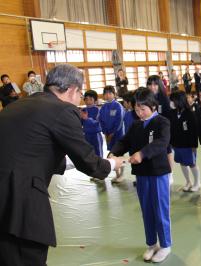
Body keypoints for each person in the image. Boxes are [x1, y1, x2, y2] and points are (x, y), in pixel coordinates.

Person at [0, 64, 124, 266]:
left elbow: (33, 150)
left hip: (5, 197)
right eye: (80, 94)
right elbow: (90, 163)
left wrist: (70, 164)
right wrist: (112, 162)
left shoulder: (21, 104)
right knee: (28, 258)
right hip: (19, 200)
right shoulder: (63, 110)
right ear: (72, 89)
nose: (79, 99)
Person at [110, 88, 172, 263]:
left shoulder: (162, 122)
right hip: (142, 174)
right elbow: (124, 141)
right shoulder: (136, 124)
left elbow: (162, 143)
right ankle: (152, 243)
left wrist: (142, 153)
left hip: (158, 173)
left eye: (142, 109)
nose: (139, 113)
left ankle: (165, 245)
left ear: (153, 106)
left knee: (160, 209)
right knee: (147, 210)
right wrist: (113, 153)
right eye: (136, 110)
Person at [169, 91, 200, 192]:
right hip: (177, 144)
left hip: (188, 145)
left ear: (179, 101)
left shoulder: (190, 113)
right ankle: (188, 181)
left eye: (173, 101)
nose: (171, 103)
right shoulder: (172, 113)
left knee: (192, 163)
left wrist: (194, 146)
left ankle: (197, 183)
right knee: (182, 163)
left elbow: (194, 131)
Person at [99, 86, 125, 151]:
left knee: (118, 151)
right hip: (107, 133)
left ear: (114, 94)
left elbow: (120, 121)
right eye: (106, 93)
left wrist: (113, 133)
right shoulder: (103, 107)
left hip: (117, 133)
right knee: (111, 151)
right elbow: (101, 120)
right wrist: (105, 132)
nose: (108, 95)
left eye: (110, 93)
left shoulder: (118, 105)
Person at [80, 90, 103, 158]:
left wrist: (87, 119)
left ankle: (101, 168)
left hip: (95, 135)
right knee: (88, 154)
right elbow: (81, 123)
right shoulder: (83, 110)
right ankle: (91, 168)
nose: (88, 102)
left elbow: (97, 123)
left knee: (98, 153)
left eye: (91, 99)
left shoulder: (98, 110)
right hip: (86, 135)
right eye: (86, 99)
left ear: (95, 100)